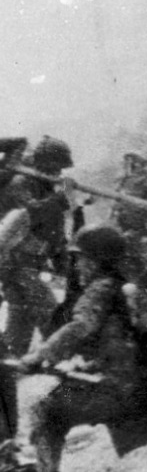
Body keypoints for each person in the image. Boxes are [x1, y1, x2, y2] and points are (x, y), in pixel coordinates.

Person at [18, 225, 147, 472]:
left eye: (81, 258)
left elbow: (80, 327)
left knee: (45, 410)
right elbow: (136, 341)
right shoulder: (134, 290)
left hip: (111, 393)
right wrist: (96, 363)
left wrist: (39, 356)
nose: (78, 265)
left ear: (96, 260)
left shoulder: (100, 289)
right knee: (143, 463)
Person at [0, 136, 75, 358]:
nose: (59, 172)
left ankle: (8, 368)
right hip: (15, 261)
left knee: (21, 324)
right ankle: (64, 362)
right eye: (56, 166)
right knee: (51, 316)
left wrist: (62, 261)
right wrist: (60, 199)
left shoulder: (45, 186)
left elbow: (54, 229)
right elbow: (32, 215)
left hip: (30, 263)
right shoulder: (20, 183)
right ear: (42, 161)